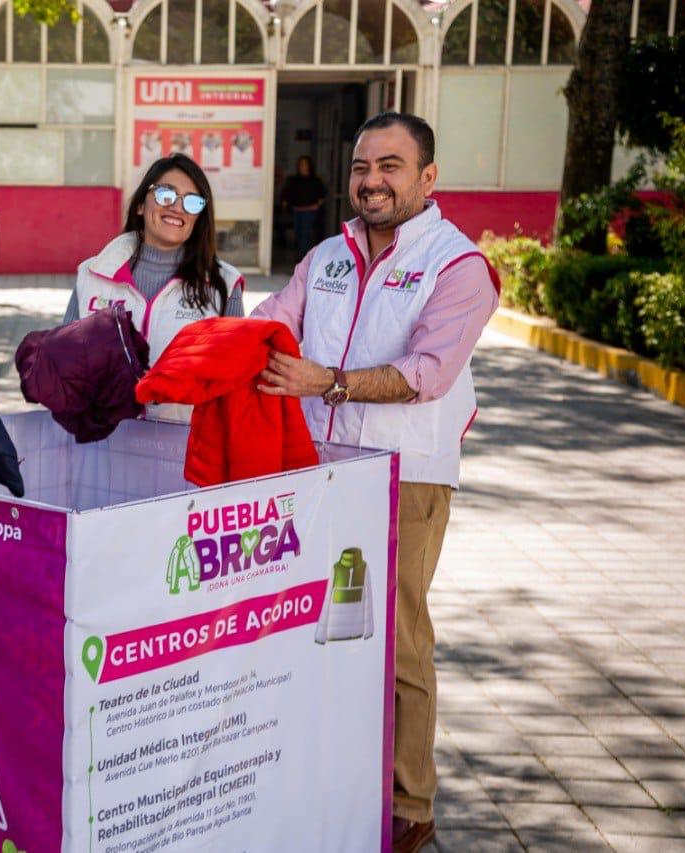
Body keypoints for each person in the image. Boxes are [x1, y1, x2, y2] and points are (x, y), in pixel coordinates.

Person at [250, 112, 499, 853]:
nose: (372, 180)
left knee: (397, 641)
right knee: (314, 629)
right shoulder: (326, 255)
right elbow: (271, 323)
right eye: (362, 166)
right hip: (316, 474)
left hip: (405, 477)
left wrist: (327, 381)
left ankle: (409, 803)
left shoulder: (460, 267)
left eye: (391, 166)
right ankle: (327, 777)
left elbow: (427, 374)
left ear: (428, 178)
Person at [64, 153, 245, 422]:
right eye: (166, 195)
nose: (177, 207)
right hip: (102, 445)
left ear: (199, 218)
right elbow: (65, 365)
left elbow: (234, 383)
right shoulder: (93, 274)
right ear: (140, 205)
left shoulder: (223, 286)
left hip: (183, 449)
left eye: (192, 202)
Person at [280, 155, 327, 256]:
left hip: (310, 211)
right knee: (299, 234)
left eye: (305, 164)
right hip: (297, 210)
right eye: (301, 164)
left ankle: (304, 258)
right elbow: (287, 193)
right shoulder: (294, 179)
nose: (303, 166)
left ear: (309, 166)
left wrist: (318, 204)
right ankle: (302, 256)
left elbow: (322, 194)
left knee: (305, 234)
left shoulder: (315, 180)